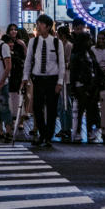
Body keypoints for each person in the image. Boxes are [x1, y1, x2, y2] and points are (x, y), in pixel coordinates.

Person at [26, 14, 66, 149]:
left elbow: (61, 63)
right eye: (37, 24)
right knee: (37, 108)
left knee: (52, 109)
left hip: (52, 79)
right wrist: (25, 78)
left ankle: (48, 136)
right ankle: (43, 134)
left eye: (40, 24)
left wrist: (60, 81)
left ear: (48, 27)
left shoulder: (56, 42)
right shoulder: (33, 42)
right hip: (38, 78)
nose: (38, 27)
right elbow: (28, 61)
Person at [68, 31, 103, 143]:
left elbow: (96, 67)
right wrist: (73, 87)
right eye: (88, 40)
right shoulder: (77, 55)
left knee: (89, 108)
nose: (90, 42)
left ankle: (86, 130)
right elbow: (73, 73)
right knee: (82, 109)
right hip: (81, 84)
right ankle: (79, 131)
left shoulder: (89, 53)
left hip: (90, 84)